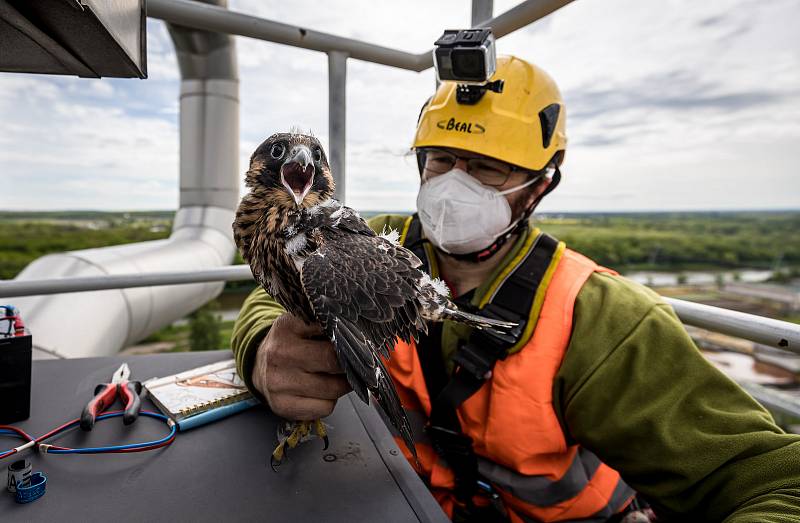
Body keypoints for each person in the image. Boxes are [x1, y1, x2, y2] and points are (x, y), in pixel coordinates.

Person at [231, 56, 800, 522]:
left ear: (541, 183)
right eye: (442, 160)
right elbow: (277, 297)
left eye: (488, 167)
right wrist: (264, 349)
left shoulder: (605, 318)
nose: (456, 182)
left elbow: (774, 481)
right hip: (403, 505)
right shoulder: (373, 243)